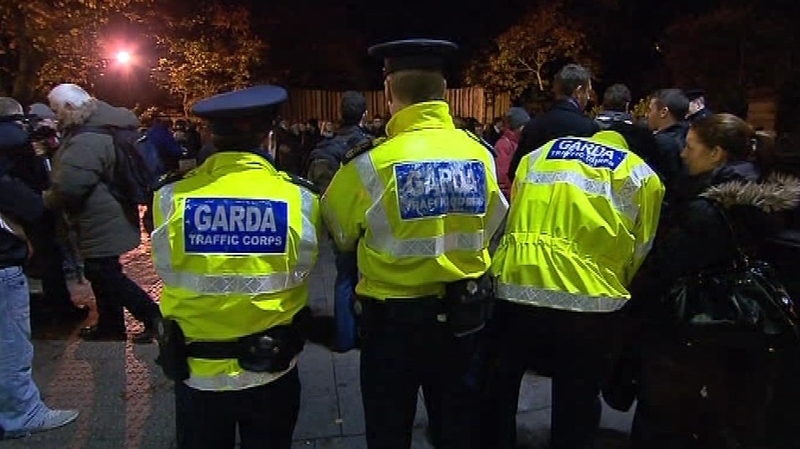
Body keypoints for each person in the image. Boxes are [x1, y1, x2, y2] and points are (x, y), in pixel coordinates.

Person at [321, 39, 508, 449]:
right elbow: (496, 223)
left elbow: (338, 231)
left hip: (392, 330)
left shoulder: (368, 163)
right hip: (464, 320)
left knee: (389, 431)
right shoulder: (481, 155)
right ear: (442, 92)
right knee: (458, 428)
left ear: (389, 93)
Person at [151, 85, 320, 449]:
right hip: (271, 370)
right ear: (269, 136)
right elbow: (306, 266)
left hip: (199, 375)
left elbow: (164, 267)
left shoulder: (169, 196)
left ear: (211, 135)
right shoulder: (300, 197)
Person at [482, 130, 665, 449]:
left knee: (501, 385)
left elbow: (516, 214)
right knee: (576, 396)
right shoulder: (641, 174)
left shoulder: (537, 155)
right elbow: (641, 248)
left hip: (516, 286)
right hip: (589, 303)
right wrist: (615, 284)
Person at [629, 113, 800, 448]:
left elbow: (662, 269)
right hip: (744, 330)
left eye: (691, 146)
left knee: (664, 418)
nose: (682, 153)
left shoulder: (706, 210)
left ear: (716, 153)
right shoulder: (764, 199)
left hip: (692, 332)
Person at [45, 83, 161, 342]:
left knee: (104, 273)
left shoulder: (87, 137)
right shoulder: (97, 126)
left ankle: (154, 317)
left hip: (100, 216)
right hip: (109, 212)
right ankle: (111, 327)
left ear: (69, 107)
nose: (55, 116)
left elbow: (70, 185)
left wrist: (47, 199)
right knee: (101, 272)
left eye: (56, 110)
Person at [0, 97, 80, 439]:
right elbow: (33, 205)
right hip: (3, 265)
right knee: (11, 344)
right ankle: (22, 413)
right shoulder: (10, 154)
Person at [306, 90, 373, 352]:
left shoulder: (324, 149)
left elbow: (318, 193)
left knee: (344, 277)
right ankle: (367, 333)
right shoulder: (374, 148)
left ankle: (344, 338)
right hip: (369, 225)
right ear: (364, 115)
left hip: (339, 228)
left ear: (339, 114)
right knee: (370, 279)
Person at [508, 63, 599, 181]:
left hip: (536, 197)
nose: (588, 98)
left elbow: (515, 172)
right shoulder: (589, 128)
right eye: (588, 92)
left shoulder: (533, 126)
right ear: (579, 91)